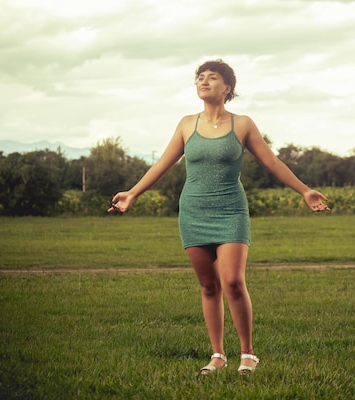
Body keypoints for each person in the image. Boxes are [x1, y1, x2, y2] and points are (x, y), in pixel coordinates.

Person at [109, 59, 330, 375]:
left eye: (212, 77)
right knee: (209, 286)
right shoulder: (187, 124)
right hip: (193, 211)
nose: (204, 80)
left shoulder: (242, 124)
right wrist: (132, 193)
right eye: (200, 77)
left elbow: (273, 163)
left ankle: (248, 354)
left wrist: (304, 191)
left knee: (233, 281)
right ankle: (217, 355)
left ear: (228, 88)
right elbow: (161, 165)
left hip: (230, 211)